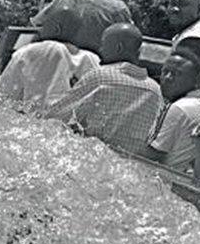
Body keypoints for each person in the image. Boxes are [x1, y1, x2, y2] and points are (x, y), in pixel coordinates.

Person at [44, 23, 162, 155]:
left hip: (92, 158)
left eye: (103, 44)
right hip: (130, 165)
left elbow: (55, 116)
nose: (100, 49)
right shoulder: (156, 91)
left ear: (118, 48)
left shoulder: (101, 77)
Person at [0, 7, 100, 107]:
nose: (39, 31)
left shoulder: (35, 50)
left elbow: (1, 96)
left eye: (43, 25)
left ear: (57, 28)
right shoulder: (93, 60)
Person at [140, 38, 200, 171]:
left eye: (176, 74)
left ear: (197, 79)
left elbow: (152, 156)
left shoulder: (179, 108)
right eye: (165, 71)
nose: (167, 78)